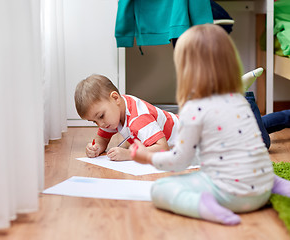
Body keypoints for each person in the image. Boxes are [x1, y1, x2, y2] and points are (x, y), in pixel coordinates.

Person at [129, 24, 290, 225]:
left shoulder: (193, 109)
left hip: (235, 197)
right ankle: (277, 184)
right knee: (249, 162)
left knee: (161, 188)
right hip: (263, 187)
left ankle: (204, 206)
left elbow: (179, 162)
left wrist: (148, 157)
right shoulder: (238, 99)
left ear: (185, 69)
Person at [74, 74, 180, 161]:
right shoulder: (114, 111)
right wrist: (96, 147)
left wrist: (130, 154)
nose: (100, 124)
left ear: (115, 98)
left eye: (101, 116)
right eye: (94, 122)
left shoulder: (139, 118)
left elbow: (163, 149)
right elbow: (102, 138)